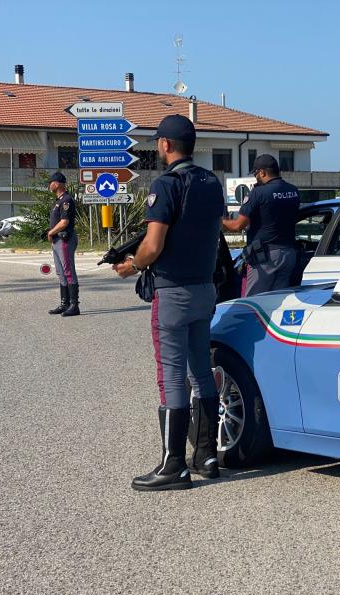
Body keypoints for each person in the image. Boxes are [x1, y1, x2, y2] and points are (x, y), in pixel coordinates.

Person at [113, 114, 224, 491]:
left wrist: (131, 265)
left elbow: (154, 245)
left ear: (164, 144)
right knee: (201, 372)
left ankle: (173, 466)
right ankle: (207, 456)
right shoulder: (212, 183)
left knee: (171, 378)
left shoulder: (166, 184)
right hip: (205, 289)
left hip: (173, 291)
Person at [222, 154, 300, 296]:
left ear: (262, 172)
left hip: (265, 258)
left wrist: (217, 221)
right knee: (277, 302)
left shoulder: (258, 192)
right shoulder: (293, 191)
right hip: (289, 254)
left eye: (255, 173)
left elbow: (238, 225)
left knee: (252, 304)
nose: (255, 177)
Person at [46, 172, 80, 317]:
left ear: (58, 183)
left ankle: (74, 305)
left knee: (68, 271)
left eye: (51, 182)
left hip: (64, 240)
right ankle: (64, 303)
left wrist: (51, 232)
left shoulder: (66, 201)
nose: (49, 185)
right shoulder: (57, 201)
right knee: (60, 272)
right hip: (57, 240)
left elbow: (64, 222)